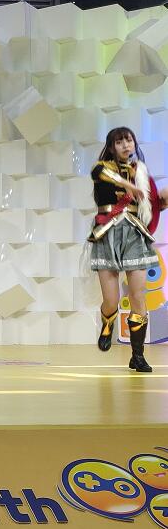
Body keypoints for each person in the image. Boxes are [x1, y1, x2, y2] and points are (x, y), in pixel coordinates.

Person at [88, 127, 168, 372]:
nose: (125, 145)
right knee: (111, 301)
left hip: (134, 234)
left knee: (138, 295)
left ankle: (137, 355)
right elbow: (99, 173)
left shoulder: (142, 173)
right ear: (111, 147)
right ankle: (107, 323)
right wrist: (127, 185)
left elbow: (153, 206)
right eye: (119, 141)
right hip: (107, 234)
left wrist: (163, 198)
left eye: (129, 140)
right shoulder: (102, 168)